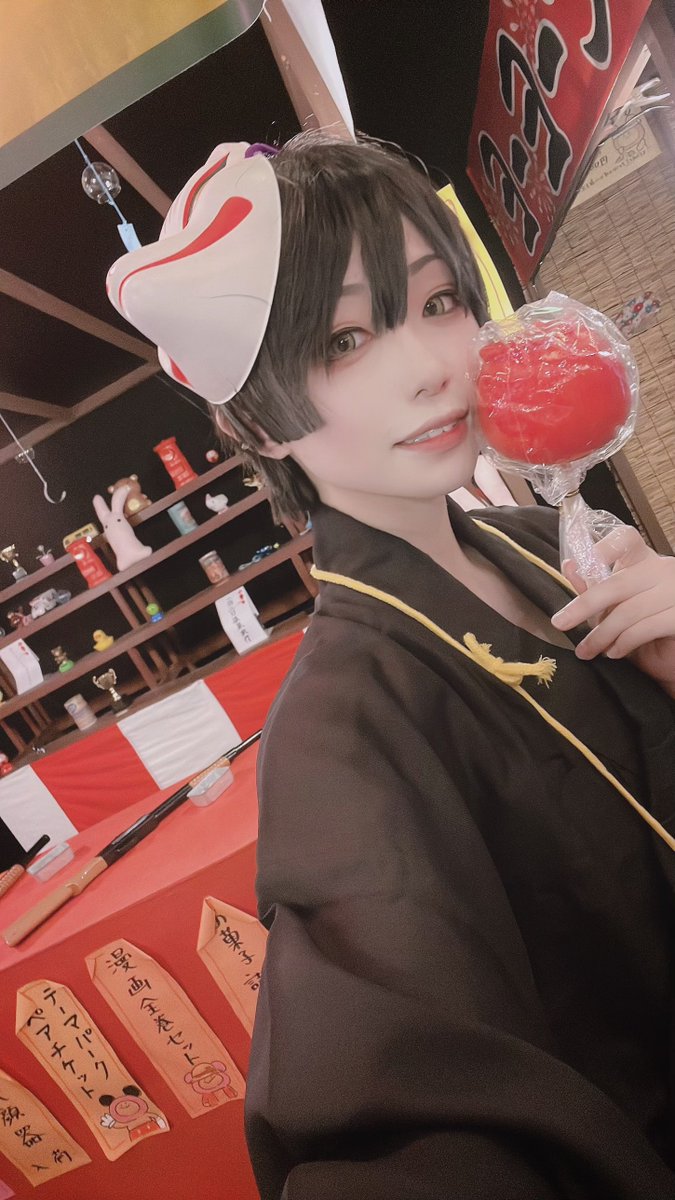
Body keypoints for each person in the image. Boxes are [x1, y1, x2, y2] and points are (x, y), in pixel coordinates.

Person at [108, 134, 675, 1199]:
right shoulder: (338, 729)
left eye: (437, 302)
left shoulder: (547, 544)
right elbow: (395, 1104)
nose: (428, 366)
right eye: (345, 338)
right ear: (259, 421)